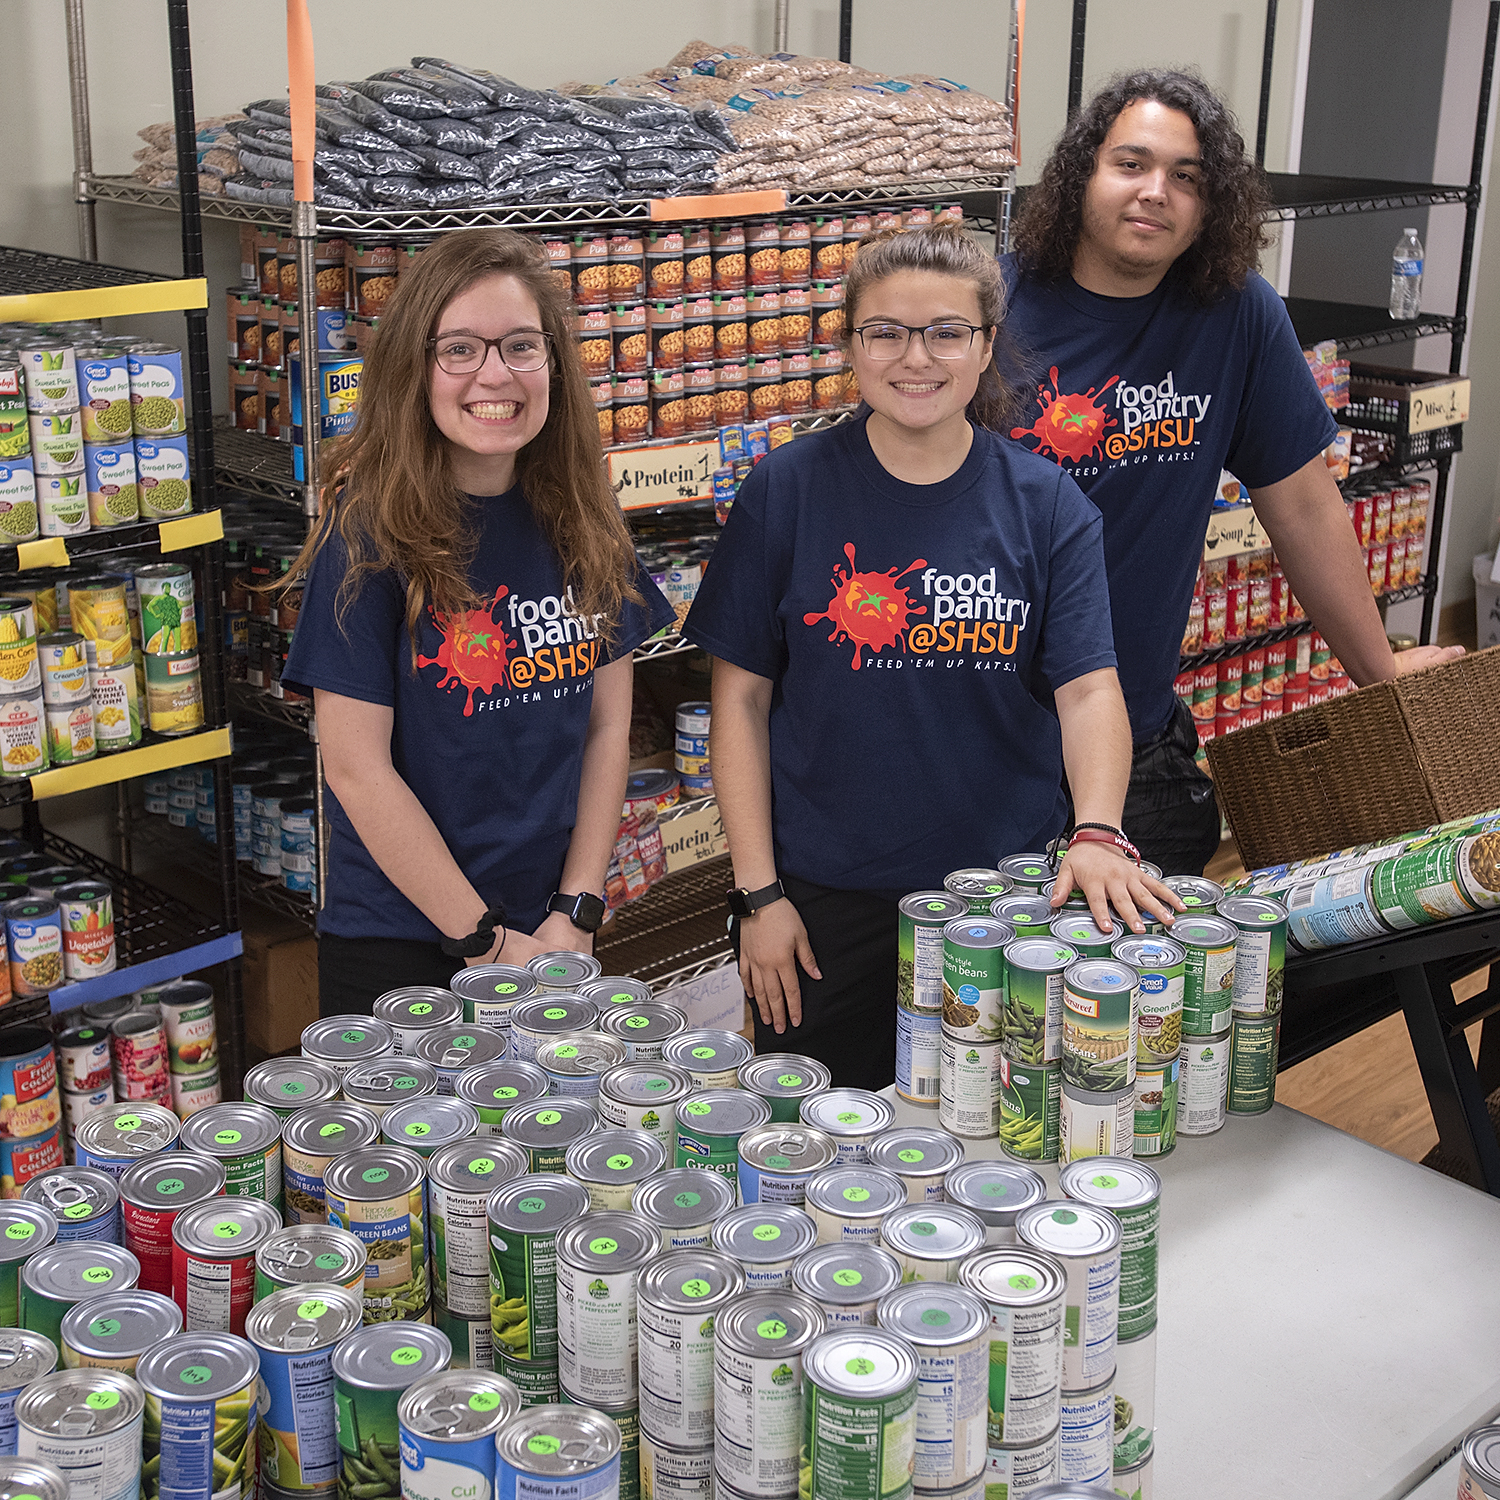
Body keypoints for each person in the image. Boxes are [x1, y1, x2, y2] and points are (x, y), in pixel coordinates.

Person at [684, 223, 1178, 1091]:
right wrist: (757, 896)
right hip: (821, 903)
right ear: (850, 346)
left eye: (948, 331)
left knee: (997, 1129)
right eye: (886, 333)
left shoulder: (1047, 506)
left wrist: (1097, 830)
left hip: (998, 899)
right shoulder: (785, 493)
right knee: (823, 1145)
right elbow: (741, 705)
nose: (918, 358)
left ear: (987, 345)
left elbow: (1089, 691)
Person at [1003, 69, 1464, 876]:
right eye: (1131, 164)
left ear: (1212, 207)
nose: (1156, 192)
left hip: (1137, 738)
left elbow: (1306, 509)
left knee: (1136, 996)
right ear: (1081, 175)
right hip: (980, 737)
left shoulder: (1238, 314)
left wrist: (1378, 673)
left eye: (1187, 177)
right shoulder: (993, 306)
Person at [283, 228, 675, 1015]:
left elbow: (607, 730)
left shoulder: (586, 519)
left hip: (548, 927)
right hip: (406, 936)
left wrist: (577, 909)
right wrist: (487, 943)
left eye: (521, 346)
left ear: (554, 366)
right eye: (459, 348)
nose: (495, 375)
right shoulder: (369, 535)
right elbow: (357, 769)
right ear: (413, 369)